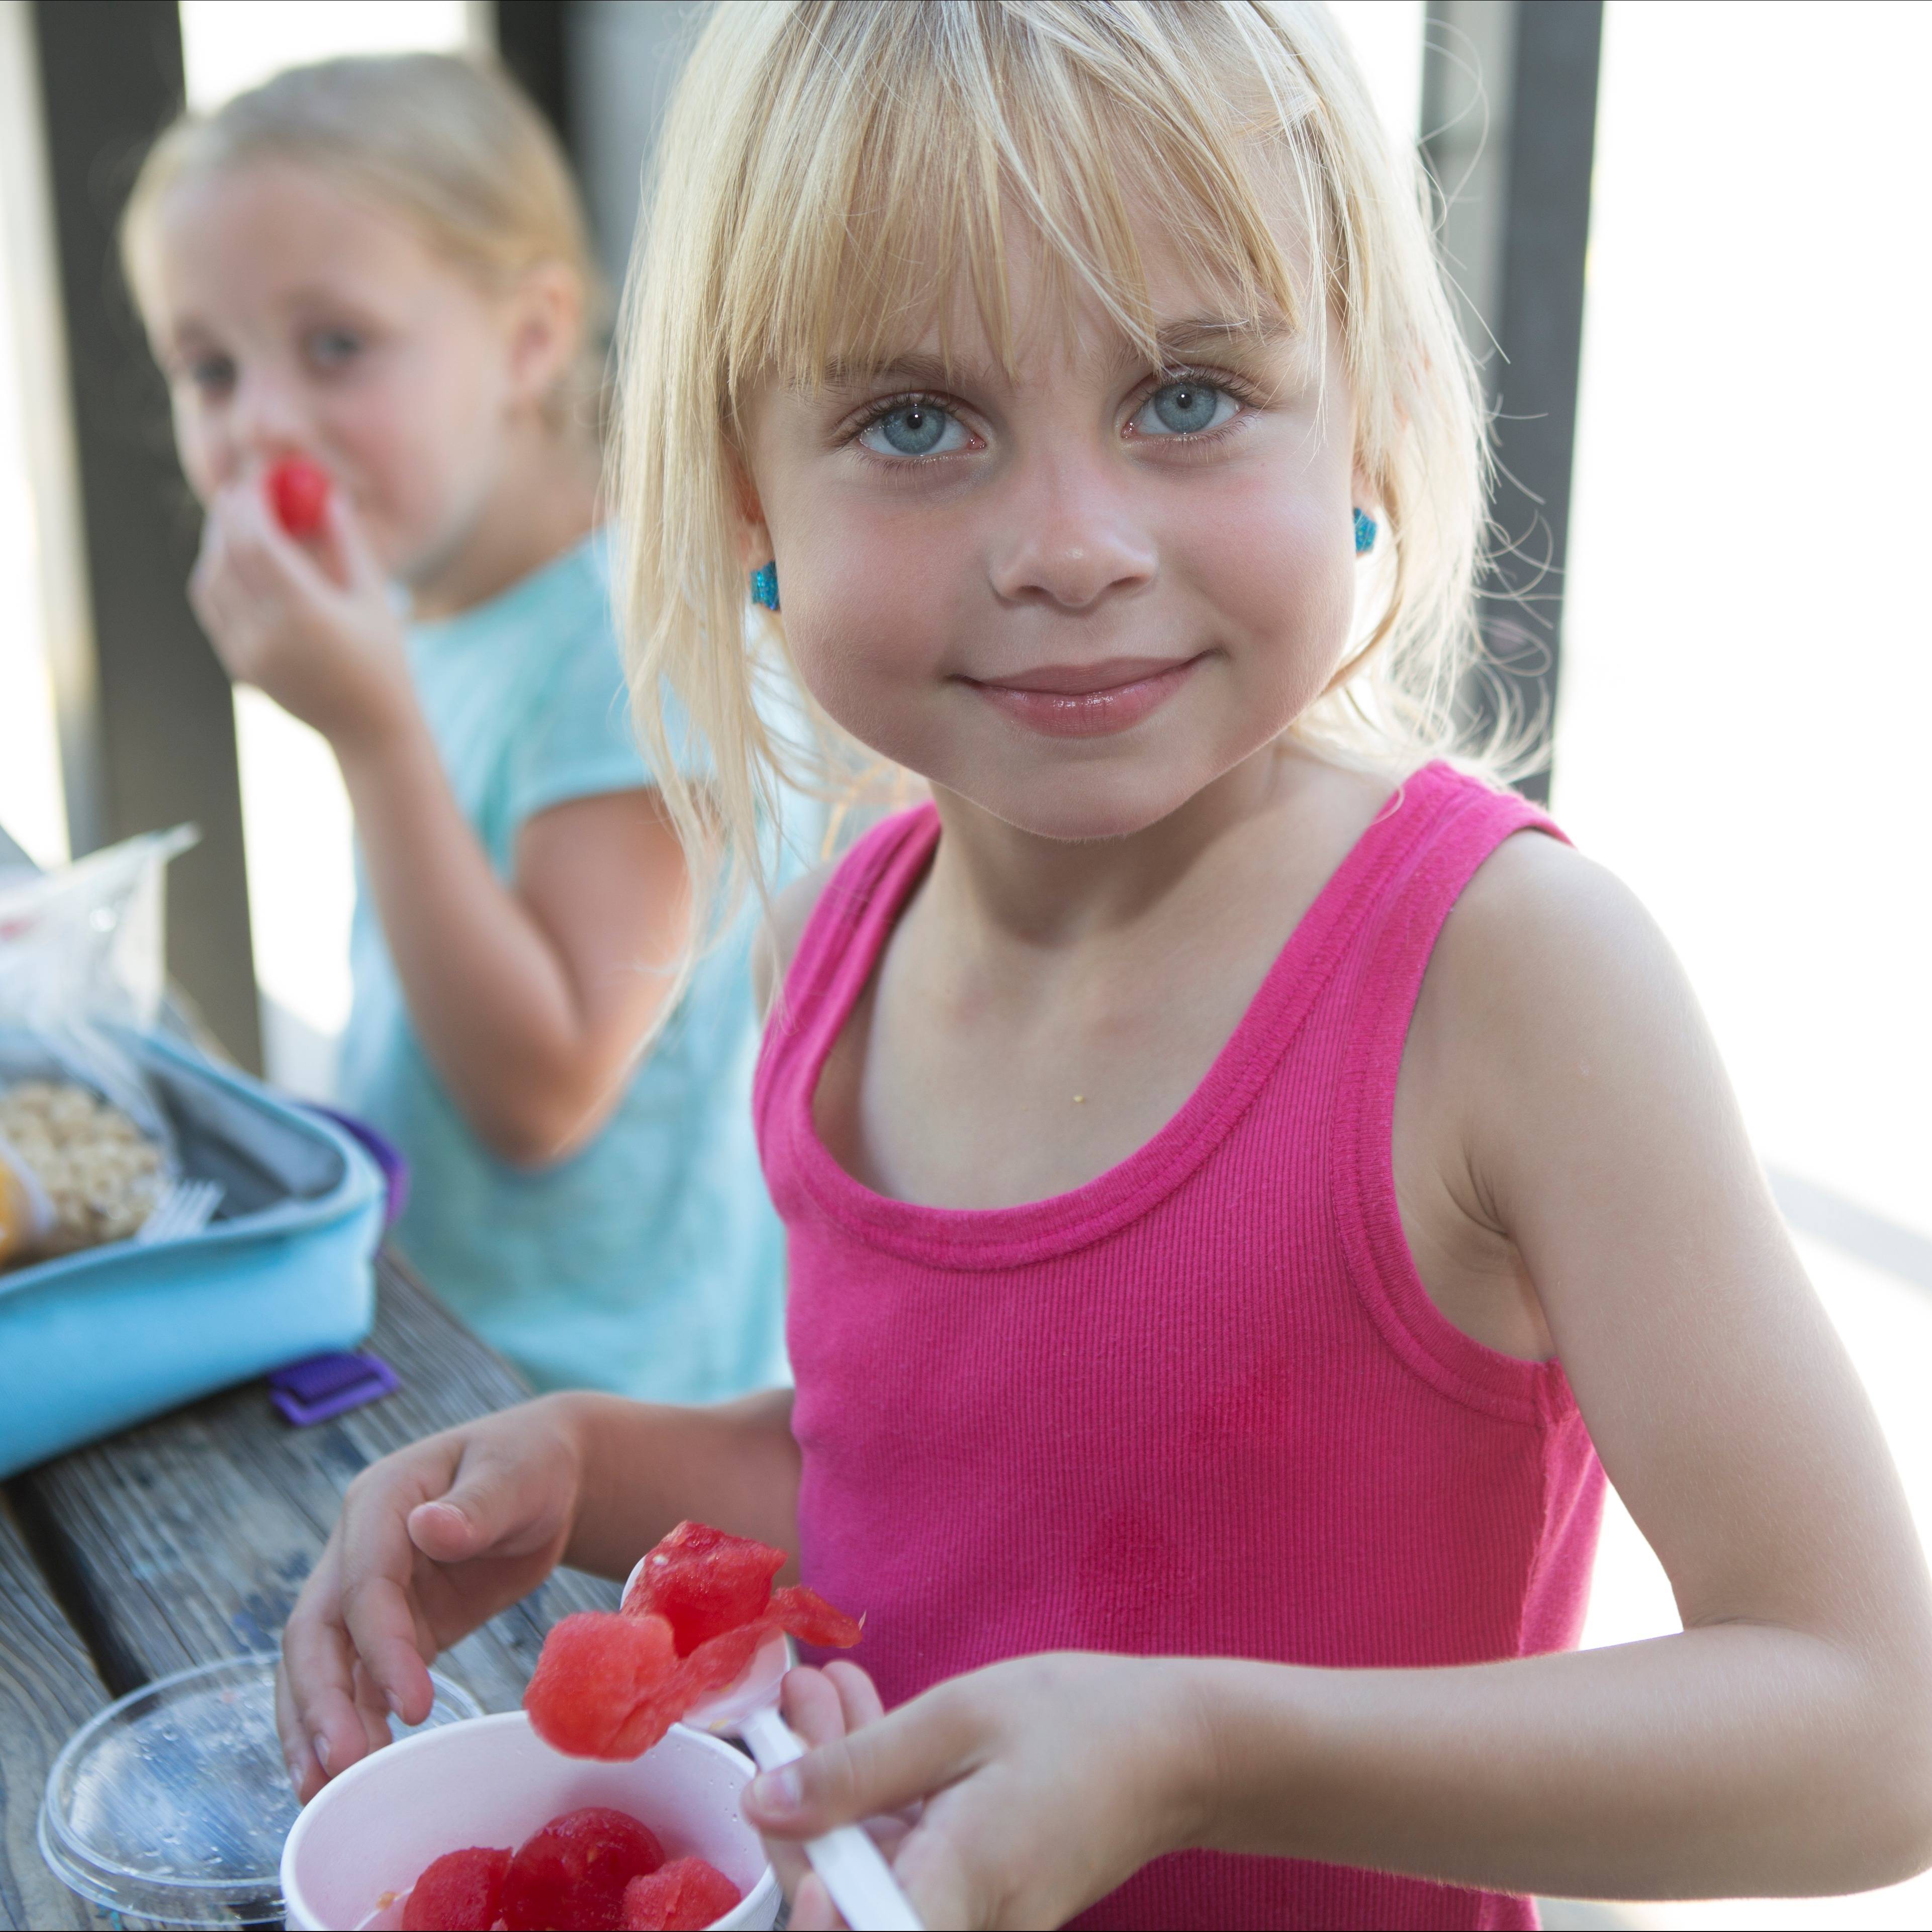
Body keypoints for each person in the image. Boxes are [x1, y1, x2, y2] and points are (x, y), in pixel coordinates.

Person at [273, 7, 1932, 1927]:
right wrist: (583, 1458)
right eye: (916, 420)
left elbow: (1870, 1724)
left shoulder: (1506, 979)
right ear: (746, 495)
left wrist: (1202, 1751)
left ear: (1373, 414)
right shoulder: (833, 945)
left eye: (1188, 393)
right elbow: (938, 1474)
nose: (1067, 544)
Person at [120, 53, 815, 1403]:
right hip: (438, 1339)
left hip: (605, 1431)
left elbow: (540, 1094)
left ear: (530, 338)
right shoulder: (435, 604)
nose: (261, 423)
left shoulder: (633, 643)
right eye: (208, 368)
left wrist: (371, 734)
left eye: (336, 346)